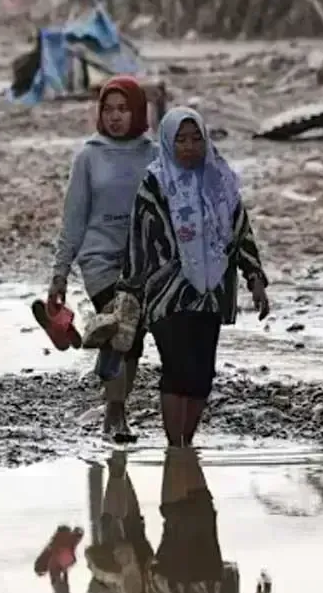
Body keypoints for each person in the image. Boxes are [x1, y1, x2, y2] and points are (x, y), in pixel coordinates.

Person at [116, 107, 270, 447]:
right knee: (177, 368)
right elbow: (138, 242)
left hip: (212, 293)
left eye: (196, 139)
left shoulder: (220, 182)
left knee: (202, 376)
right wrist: (129, 294)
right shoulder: (154, 184)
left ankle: (187, 443)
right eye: (181, 140)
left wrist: (254, 278)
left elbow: (240, 230)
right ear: (168, 143)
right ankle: (176, 449)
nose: (189, 146)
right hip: (166, 293)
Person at [49, 76, 157, 441]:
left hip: (141, 262)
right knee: (122, 325)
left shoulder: (154, 156)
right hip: (99, 259)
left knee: (133, 339)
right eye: (108, 110)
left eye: (123, 110)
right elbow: (74, 217)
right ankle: (116, 413)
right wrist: (60, 273)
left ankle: (113, 396)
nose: (115, 117)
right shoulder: (89, 157)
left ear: (138, 112)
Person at [137, 447, 272, 593]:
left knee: (180, 520)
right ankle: (183, 447)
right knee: (204, 512)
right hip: (213, 591)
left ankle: (176, 448)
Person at [44, 450, 152, 593]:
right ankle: (117, 465)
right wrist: (58, 582)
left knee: (132, 531)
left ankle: (118, 465)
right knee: (116, 532)